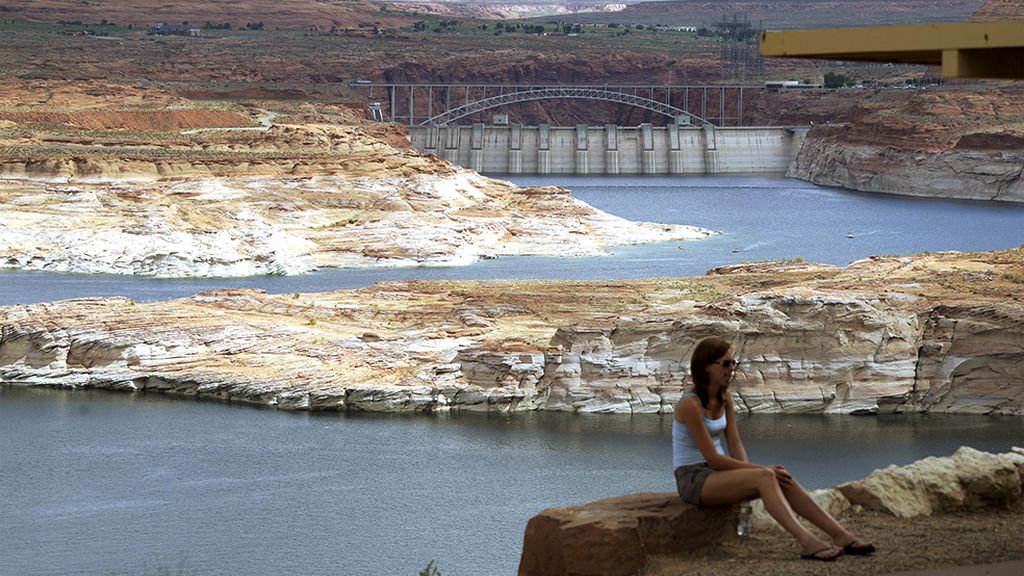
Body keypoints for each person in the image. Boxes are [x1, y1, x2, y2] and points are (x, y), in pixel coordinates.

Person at [673, 336, 876, 561]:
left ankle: (840, 535)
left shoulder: (724, 397)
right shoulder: (689, 404)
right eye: (725, 364)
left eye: (733, 363)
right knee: (766, 475)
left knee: (781, 477)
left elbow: (735, 443)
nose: (732, 369)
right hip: (693, 478)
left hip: (717, 474)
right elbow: (712, 458)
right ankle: (808, 542)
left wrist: (752, 472)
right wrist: (757, 471)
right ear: (706, 367)